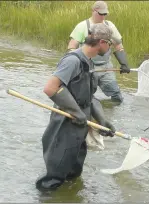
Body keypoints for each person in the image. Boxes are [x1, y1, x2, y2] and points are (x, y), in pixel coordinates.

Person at [35, 23, 117, 191]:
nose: (109, 47)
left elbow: (89, 97)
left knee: (73, 174)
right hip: (64, 127)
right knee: (53, 179)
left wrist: (102, 120)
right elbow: (50, 88)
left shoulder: (90, 63)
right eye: (109, 43)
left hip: (80, 127)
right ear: (101, 42)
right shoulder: (72, 61)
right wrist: (75, 111)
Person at [67, 1, 130, 103]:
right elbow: (72, 47)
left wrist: (124, 63)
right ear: (93, 11)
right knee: (86, 97)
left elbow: (118, 45)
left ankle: (112, 115)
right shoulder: (83, 26)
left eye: (105, 14)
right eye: (100, 14)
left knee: (117, 96)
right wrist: (77, 64)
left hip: (106, 67)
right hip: (88, 67)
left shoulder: (110, 25)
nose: (103, 16)